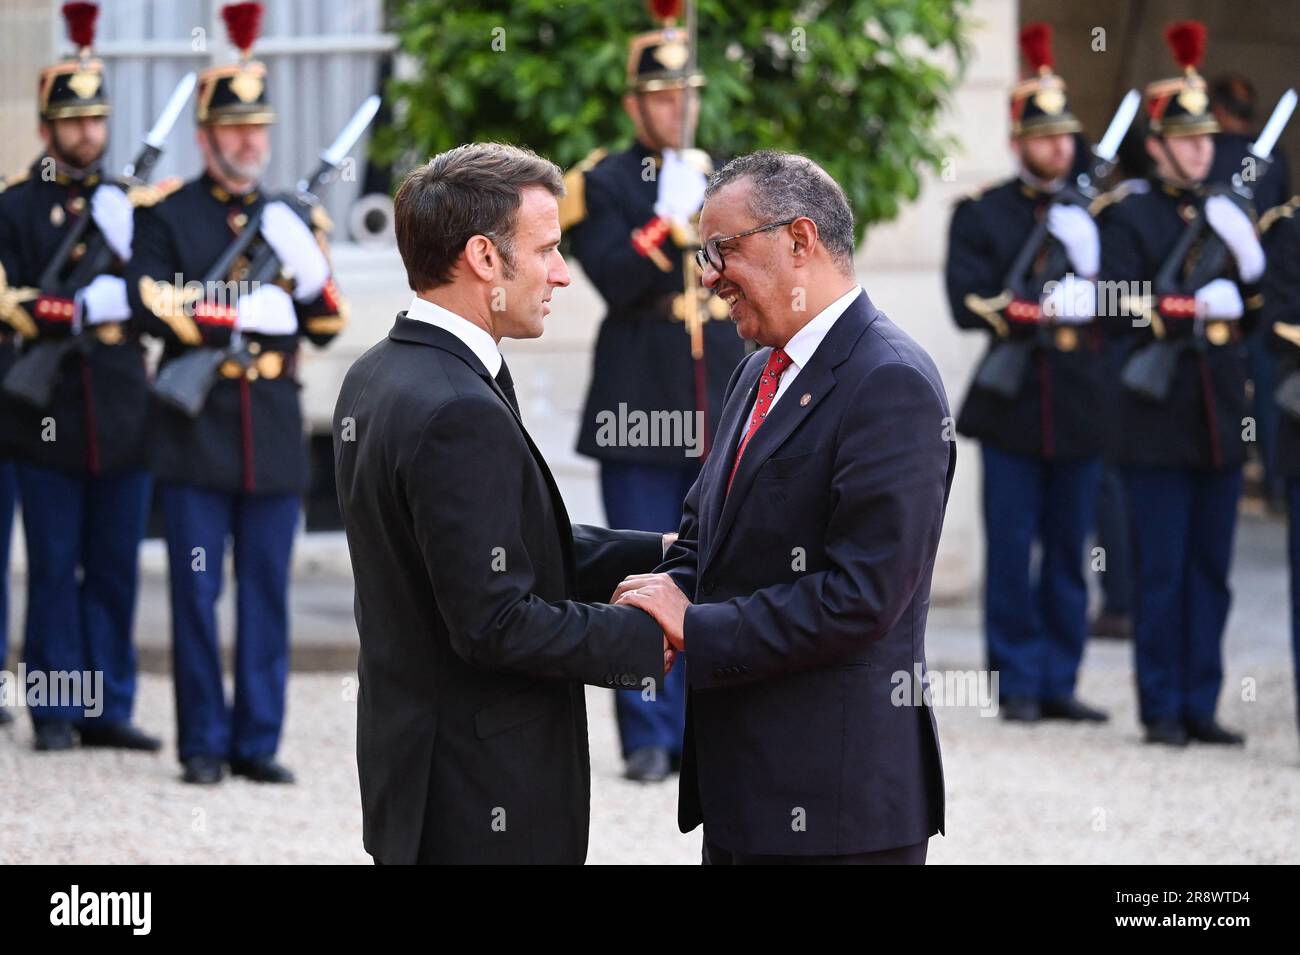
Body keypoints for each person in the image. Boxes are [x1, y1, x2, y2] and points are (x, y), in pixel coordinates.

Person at [334, 142, 672, 864]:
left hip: (420, 773)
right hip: (478, 795)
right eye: (547, 249)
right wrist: (656, 639)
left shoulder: (381, 371)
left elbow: (498, 544)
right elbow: (494, 621)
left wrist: (667, 555)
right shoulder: (457, 404)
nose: (561, 273)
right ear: (484, 259)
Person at [616, 151, 950, 864]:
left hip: (838, 810)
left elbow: (863, 596)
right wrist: (638, 597)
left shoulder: (890, 380)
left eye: (722, 249)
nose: (707, 276)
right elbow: (705, 538)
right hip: (746, 794)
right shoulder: (754, 370)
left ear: (800, 240)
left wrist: (697, 628)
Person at [125, 2, 346, 783]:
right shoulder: (169, 213)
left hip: (274, 428)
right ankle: (202, 743)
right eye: (234, 130)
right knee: (194, 596)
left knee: (266, 596)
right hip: (196, 428)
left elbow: (328, 320)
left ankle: (257, 741)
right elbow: (145, 295)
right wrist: (232, 309)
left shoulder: (291, 216)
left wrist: (311, 271)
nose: (249, 142)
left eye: (259, 130)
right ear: (207, 136)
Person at [561, 13, 744, 782]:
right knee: (640, 566)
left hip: (715, 394)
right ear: (635, 104)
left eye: (686, 95)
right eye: (663, 97)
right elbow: (615, 275)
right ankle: (645, 731)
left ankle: (706, 720)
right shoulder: (599, 180)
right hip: (639, 396)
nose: (679, 109)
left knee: (716, 565)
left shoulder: (725, 172)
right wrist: (664, 223)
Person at [1097, 21, 1262, 747]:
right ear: (1158, 143)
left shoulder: (1227, 213)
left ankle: (1202, 699)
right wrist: (1193, 305)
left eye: (1207, 140)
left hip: (1218, 414)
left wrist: (1247, 272)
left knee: (1211, 571)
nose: (1202, 149)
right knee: (1160, 571)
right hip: (1156, 415)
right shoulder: (1129, 215)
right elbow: (1121, 301)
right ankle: (1161, 704)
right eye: (1187, 139)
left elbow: (1258, 309)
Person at [0, 2, 158, 751]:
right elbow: (8, 301)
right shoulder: (15, 207)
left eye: (96, 120)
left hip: (124, 410)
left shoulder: (134, 206)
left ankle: (109, 706)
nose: (86, 132)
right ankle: (56, 709)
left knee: (116, 569)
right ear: (46, 127)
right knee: (56, 569)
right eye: (71, 121)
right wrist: (71, 307)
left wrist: (127, 276)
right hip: (46, 413)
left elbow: (169, 298)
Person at [944, 23, 1108, 723]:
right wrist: (1034, 305)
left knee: (1071, 550)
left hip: (1078, 399)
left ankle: (1061, 677)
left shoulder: (1097, 214)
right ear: (1019, 142)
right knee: (1012, 548)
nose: (1059, 148)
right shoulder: (983, 212)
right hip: (1014, 400)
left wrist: (1093, 270)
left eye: (1066, 137)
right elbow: (967, 300)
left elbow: (1128, 300)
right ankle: (1015, 680)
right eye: (1045, 138)